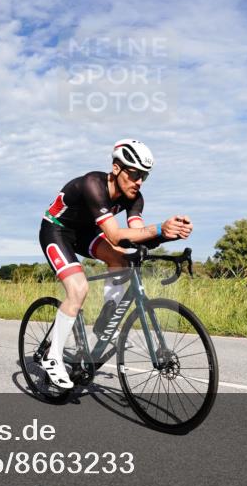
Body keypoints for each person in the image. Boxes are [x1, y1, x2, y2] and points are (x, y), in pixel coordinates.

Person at [38, 139, 193, 388]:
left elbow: (137, 234)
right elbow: (114, 235)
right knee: (78, 289)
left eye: (144, 176)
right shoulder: (93, 184)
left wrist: (167, 233)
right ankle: (53, 357)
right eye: (134, 174)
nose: (139, 181)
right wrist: (158, 228)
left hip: (86, 233)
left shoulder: (135, 198)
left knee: (121, 260)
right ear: (117, 168)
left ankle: (105, 319)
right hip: (57, 231)